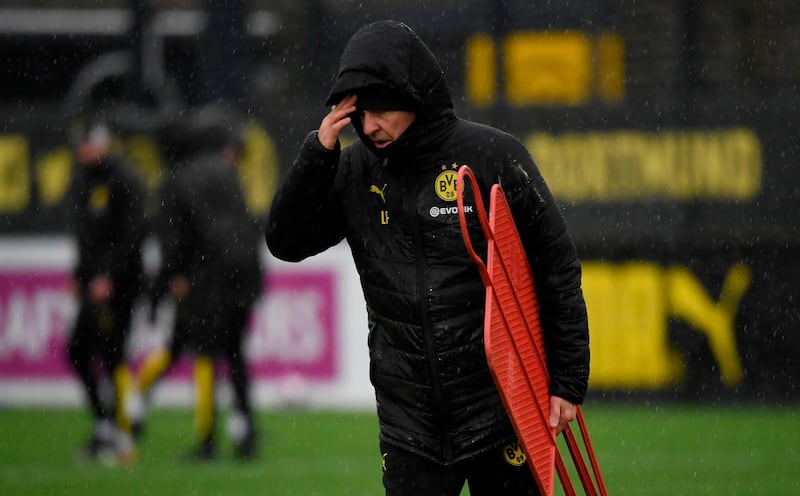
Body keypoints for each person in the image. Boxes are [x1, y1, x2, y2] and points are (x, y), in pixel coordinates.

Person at [265, 20, 590, 495]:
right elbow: (285, 242)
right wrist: (317, 153)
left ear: (413, 97)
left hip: (502, 410)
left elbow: (555, 268)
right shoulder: (351, 171)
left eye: (380, 110)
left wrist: (568, 380)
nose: (369, 125)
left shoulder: (493, 156)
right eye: (359, 113)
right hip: (408, 423)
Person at [127, 105, 263, 460]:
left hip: (206, 280)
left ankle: (206, 439)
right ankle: (245, 432)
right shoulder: (224, 171)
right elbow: (243, 226)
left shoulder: (176, 180)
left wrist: (171, 280)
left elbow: (175, 241)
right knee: (235, 355)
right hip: (243, 276)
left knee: (201, 353)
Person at [65, 117, 146, 464]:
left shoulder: (123, 179)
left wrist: (109, 276)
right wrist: (81, 275)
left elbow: (131, 234)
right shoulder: (83, 179)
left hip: (120, 285)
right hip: (94, 283)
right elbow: (86, 236)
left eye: (87, 144)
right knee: (80, 351)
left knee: (113, 355)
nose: (83, 151)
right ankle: (107, 425)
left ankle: (121, 430)